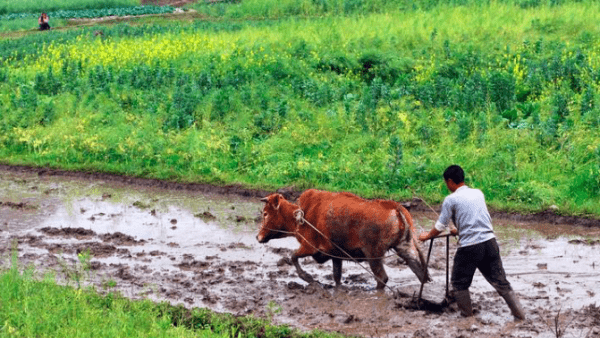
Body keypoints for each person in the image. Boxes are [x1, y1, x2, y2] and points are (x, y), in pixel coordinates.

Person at [418, 164, 525, 320]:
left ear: (450, 181)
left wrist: (427, 236)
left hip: (470, 247)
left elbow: (440, 226)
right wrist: (459, 230)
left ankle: (467, 318)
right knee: (500, 282)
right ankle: (520, 315)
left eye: (446, 183)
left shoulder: (450, 199)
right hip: (490, 243)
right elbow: (477, 219)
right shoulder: (478, 193)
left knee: (459, 283)